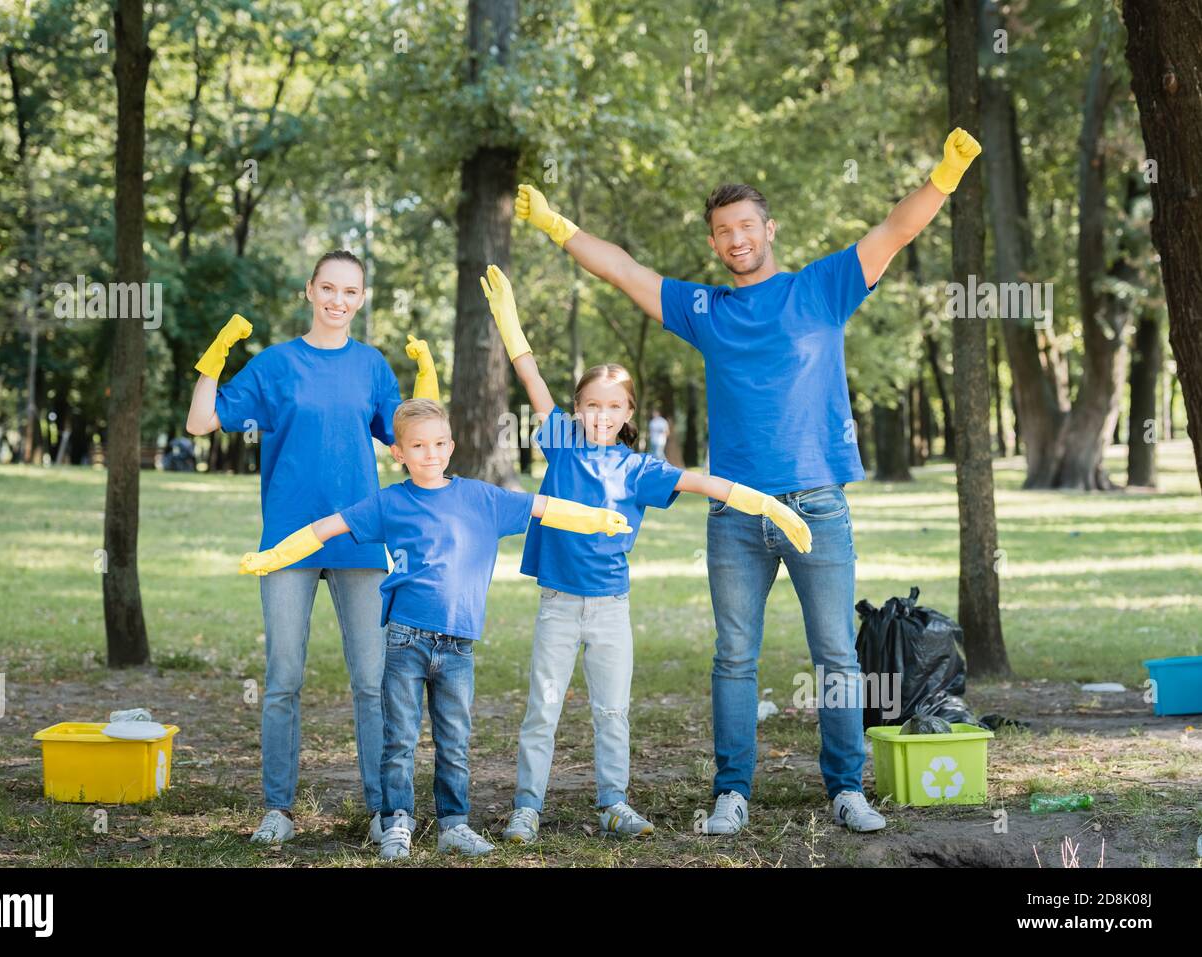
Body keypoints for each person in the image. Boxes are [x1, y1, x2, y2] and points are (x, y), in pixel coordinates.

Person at [514, 129, 982, 835]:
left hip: (816, 504)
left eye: (745, 226)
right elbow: (623, 270)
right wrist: (557, 226)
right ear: (714, 243)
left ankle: (846, 787)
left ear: (768, 230)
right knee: (735, 655)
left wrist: (945, 175)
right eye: (721, 231)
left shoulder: (822, 288)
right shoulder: (707, 311)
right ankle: (732, 790)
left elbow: (895, 227)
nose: (735, 238)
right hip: (735, 513)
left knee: (833, 652)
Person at [479, 264, 810, 844]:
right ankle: (527, 806)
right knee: (543, 712)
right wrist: (510, 323)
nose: (601, 416)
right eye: (591, 405)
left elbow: (701, 483)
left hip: (610, 609)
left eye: (613, 407)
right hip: (558, 605)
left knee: (612, 713)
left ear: (629, 414)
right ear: (577, 408)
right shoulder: (560, 444)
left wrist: (768, 505)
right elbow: (531, 379)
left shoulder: (639, 469)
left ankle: (614, 803)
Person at [239, 397, 631, 858]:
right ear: (399, 453)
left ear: (452, 445)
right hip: (405, 639)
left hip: (459, 646)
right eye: (419, 445)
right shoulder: (390, 502)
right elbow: (328, 527)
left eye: (440, 443)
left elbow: (544, 507)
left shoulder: (481, 498)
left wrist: (598, 519)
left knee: (455, 741)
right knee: (400, 739)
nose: (431, 453)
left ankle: (454, 824)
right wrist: (272, 557)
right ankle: (396, 822)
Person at [185, 250, 439, 846]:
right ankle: (278, 808)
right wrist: (215, 357)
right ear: (309, 290)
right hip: (288, 545)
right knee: (283, 678)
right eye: (329, 288)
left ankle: (385, 811)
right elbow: (202, 423)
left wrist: (424, 381)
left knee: (374, 681)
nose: (338, 300)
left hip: (358, 538)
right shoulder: (275, 365)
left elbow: (411, 438)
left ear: (361, 299)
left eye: (350, 291)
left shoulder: (372, 366)